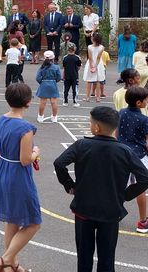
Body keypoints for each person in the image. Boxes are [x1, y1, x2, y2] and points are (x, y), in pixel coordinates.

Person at [54, 106, 148, 272]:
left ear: (96, 127)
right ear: (115, 127)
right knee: (107, 257)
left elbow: (59, 163)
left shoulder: (81, 145)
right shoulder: (124, 151)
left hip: (84, 209)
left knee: (84, 256)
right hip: (111, 210)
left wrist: (70, 185)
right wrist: (125, 195)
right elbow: (144, 177)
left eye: (90, 123)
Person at [0, 83, 41, 272]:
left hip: (2, 170)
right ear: (28, 102)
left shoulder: (0, 121)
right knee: (33, 222)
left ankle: (12, 266)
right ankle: (5, 259)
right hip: (18, 176)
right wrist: (36, 151)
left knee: (12, 220)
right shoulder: (25, 128)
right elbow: (25, 160)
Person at [117, 86, 148, 232]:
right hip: (138, 157)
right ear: (139, 103)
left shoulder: (122, 112)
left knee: (120, 184)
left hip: (121, 154)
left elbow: (116, 133)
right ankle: (143, 221)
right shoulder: (144, 119)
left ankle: (115, 212)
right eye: (145, 100)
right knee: (140, 188)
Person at [36, 51, 61, 123]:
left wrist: (42, 82)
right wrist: (54, 81)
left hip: (44, 83)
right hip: (52, 83)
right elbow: (59, 77)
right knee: (54, 101)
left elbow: (38, 78)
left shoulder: (42, 67)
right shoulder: (56, 67)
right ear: (53, 58)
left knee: (43, 102)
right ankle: (54, 117)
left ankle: (40, 116)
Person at [83, 33, 105, 102]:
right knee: (98, 81)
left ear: (93, 39)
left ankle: (87, 97)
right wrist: (96, 66)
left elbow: (90, 58)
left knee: (89, 81)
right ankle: (98, 97)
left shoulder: (89, 47)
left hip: (90, 63)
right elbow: (98, 57)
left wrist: (91, 66)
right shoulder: (102, 47)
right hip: (99, 64)